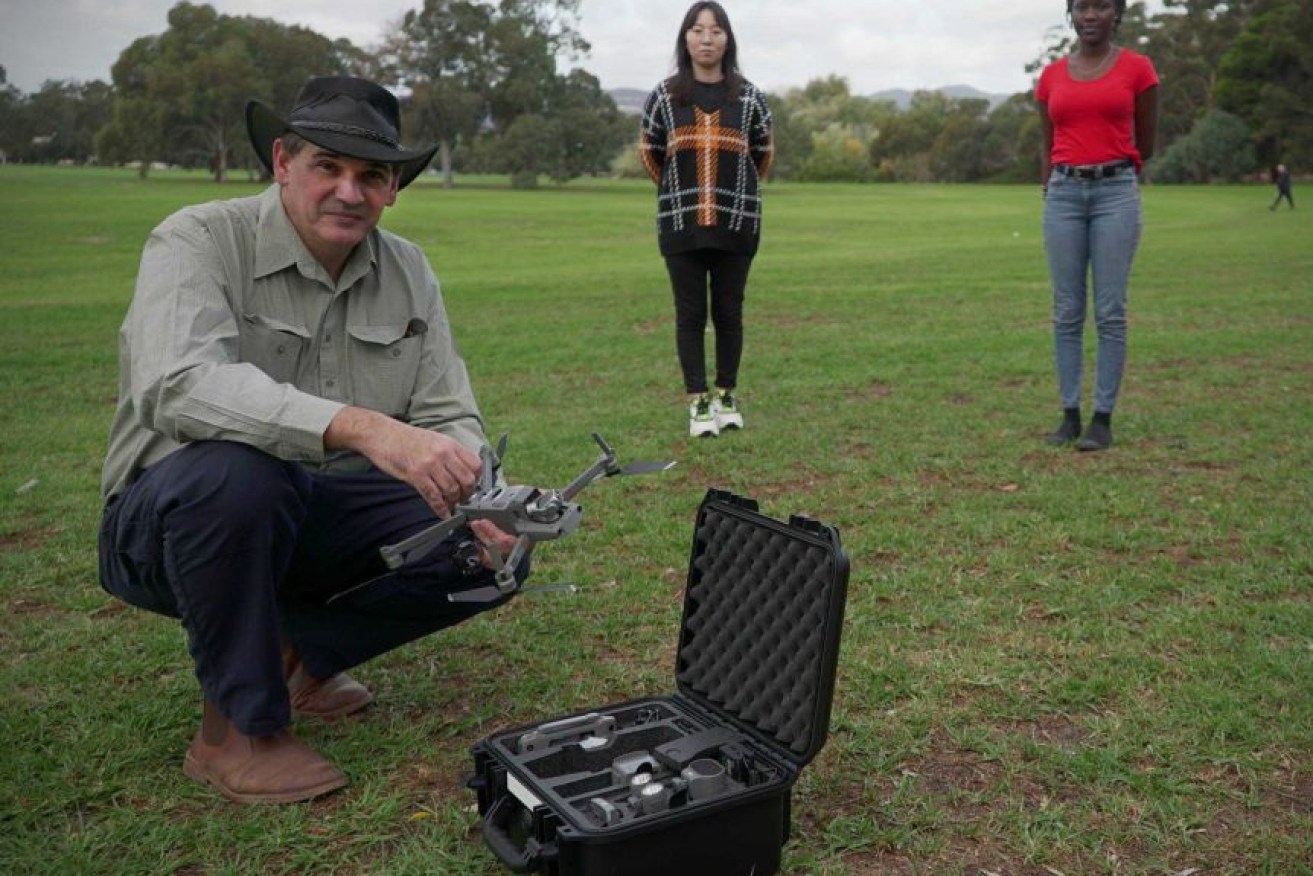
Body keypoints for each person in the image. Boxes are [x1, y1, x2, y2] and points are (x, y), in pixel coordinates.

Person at [97, 76, 527, 804]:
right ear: (282, 162)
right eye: (328, 166)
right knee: (240, 472)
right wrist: (361, 426)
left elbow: (449, 413)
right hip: (171, 524)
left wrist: (483, 498)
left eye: (372, 176)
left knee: (486, 545)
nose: (349, 192)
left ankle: (295, 660)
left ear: (393, 189)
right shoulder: (196, 238)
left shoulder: (408, 270)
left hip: (312, 517)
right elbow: (175, 382)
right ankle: (234, 732)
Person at [639, 1, 773, 438]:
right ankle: (698, 403)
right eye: (698, 31)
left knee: (730, 313)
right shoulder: (664, 96)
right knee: (690, 314)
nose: (707, 39)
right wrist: (684, 193)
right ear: (685, 39)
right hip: (682, 225)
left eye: (716, 31)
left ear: (728, 39)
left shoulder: (750, 97)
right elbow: (651, 154)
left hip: (738, 224)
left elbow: (762, 155)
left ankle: (727, 395)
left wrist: (734, 195)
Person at [1037, 0, 1159, 451]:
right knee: (1067, 311)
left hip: (1115, 193)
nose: (1091, 15)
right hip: (1064, 195)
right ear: (1072, 13)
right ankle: (1069, 414)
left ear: (1117, 13)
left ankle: (1102, 418)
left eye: (1101, 6)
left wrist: (1116, 172)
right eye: (1082, 7)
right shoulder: (1051, 76)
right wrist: (1050, 187)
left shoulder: (1138, 69)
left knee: (1110, 312)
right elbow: (1047, 143)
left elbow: (1145, 141)